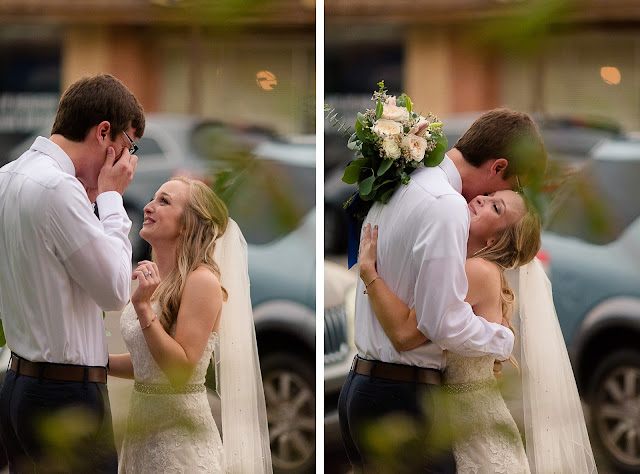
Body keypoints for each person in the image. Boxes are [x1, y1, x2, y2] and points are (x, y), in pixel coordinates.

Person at [338, 108, 548, 473]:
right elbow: (439, 324)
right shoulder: (446, 205)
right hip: (399, 398)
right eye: (511, 186)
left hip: (364, 385)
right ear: (498, 168)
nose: (505, 194)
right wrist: (502, 341)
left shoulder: (406, 180)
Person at [0, 73, 143, 473]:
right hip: (64, 395)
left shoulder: (8, 176)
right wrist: (113, 198)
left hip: (17, 385)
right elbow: (115, 290)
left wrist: (93, 195)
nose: (128, 160)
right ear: (103, 133)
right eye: (128, 146)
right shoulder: (57, 189)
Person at [358, 191, 538, 473]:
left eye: (495, 206)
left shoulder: (473, 270)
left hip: (467, 419)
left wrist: (370, 273)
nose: (480, 198)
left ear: (494, 239)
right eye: (488, 194)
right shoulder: (482, 269)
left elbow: (406, 331)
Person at [108, 177, 272, 473]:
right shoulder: (159, 280)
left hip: (180, 442)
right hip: (142, 434)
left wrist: (144, 308)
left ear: (186, 225)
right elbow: (148, 365)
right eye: (154, 198)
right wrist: (95, 362)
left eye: (164, 201)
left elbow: (180, 370)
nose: (147, 207)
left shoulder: (202, 281)